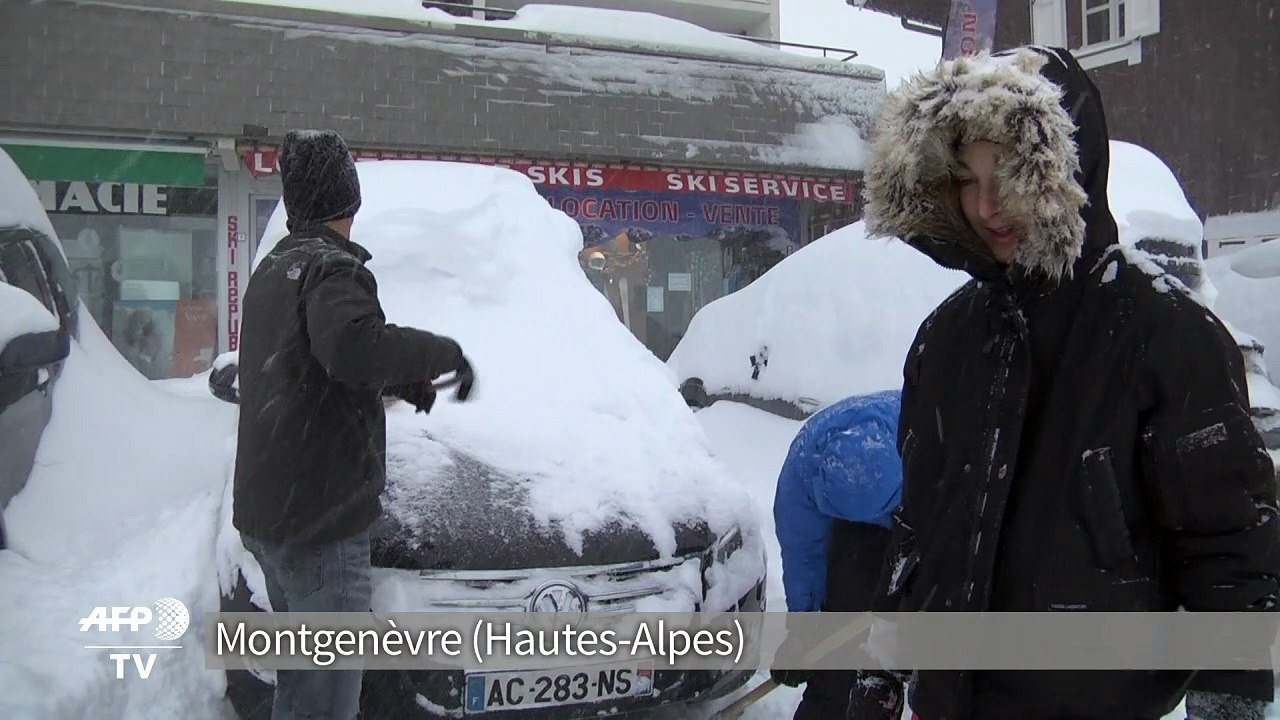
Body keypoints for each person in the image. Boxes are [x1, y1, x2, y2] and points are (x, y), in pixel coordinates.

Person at [854, 46, 1280, 720]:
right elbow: (918, 532)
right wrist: (879, 674)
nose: (988, 205)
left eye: (1012, 172)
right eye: (966, 178)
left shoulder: (1164, 332)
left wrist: (1230, 702)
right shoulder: (946, 341)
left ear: (1063, 170)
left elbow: (1227, 548)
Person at [231, 129, 475, 720]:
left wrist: (401, 383)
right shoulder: (331, 268)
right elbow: (353, 347)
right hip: (319, 523)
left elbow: (309, 364)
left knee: (300, 687)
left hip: (271, 517)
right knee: (326, 701)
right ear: (349, 199)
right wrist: (444, 352)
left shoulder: (274, 270)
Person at [770, 389, 905, 720]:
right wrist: (802, 631)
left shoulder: (924, 437)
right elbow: (803, 561)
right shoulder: (800, 482)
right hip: (858, 540)